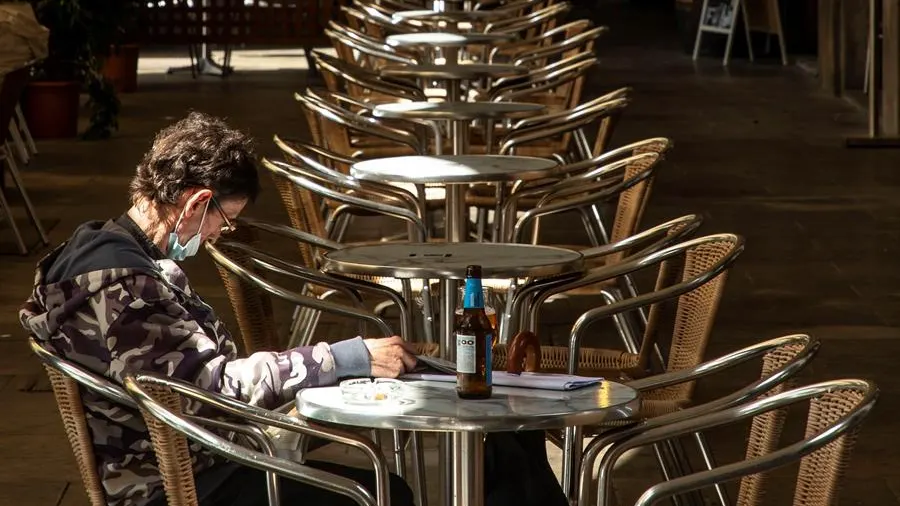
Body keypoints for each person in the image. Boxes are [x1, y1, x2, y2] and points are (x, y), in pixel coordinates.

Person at [20, 112, 568, 506]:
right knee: (382, 494)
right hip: (179, 480)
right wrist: (339, 358)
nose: (216, 236)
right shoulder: (120, 284)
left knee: (477, 429)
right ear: (196, 202)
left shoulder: (107, 253)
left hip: (200, 455)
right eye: (222, 221)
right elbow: (208, 389)